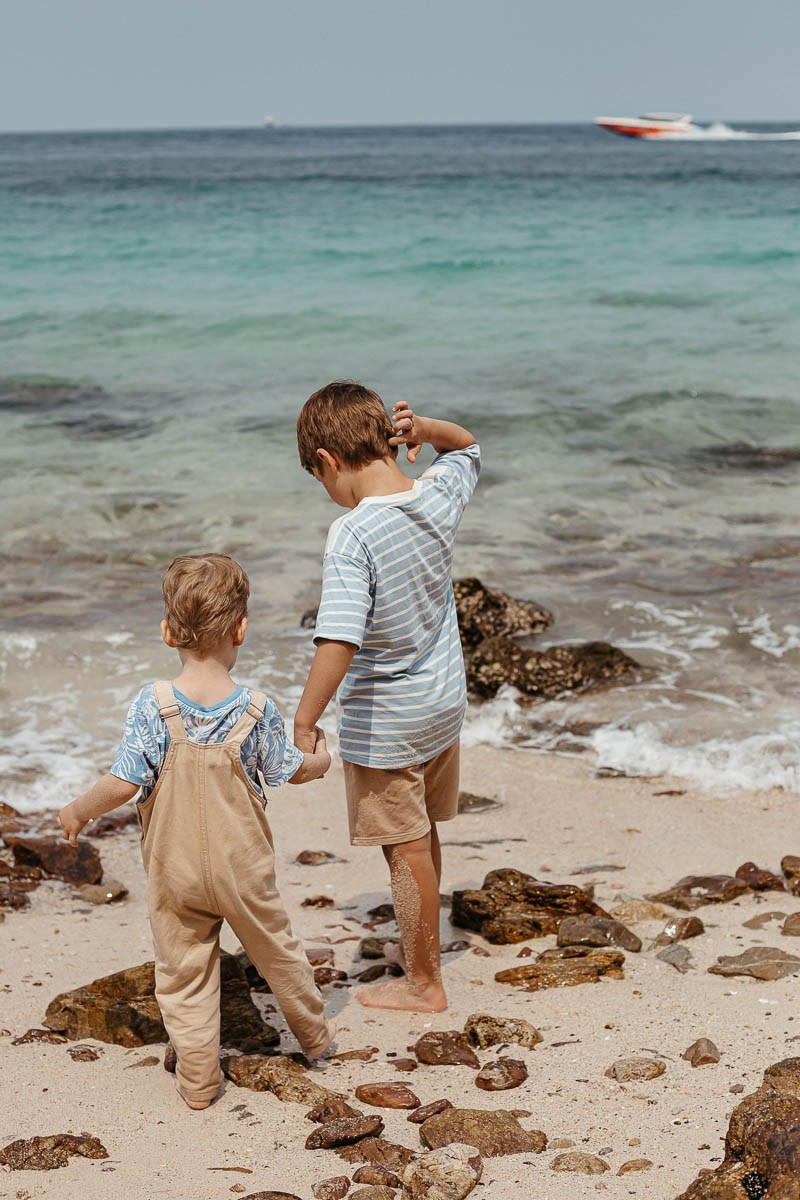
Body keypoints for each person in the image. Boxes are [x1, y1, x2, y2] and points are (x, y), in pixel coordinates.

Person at [59, 553, 335, 1110]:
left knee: (184, 974)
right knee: (278, 954)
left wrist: (77, 810)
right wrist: (323, 759)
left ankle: (200, 1082)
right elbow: (290, 771)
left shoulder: (152, 705)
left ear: (167, 632)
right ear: (241, 630)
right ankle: (317, 1039)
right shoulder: (257, 709)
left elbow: (122, 781)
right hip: (244, 869)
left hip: (174, 868)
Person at [294, 381, 480, 1013]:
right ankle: (422, 943)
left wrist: (304, 718)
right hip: (442, 707)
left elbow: (339, 639)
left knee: (403, 848)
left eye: (319, 478)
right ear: (387, 440)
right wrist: (427, 426)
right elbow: (470, 447)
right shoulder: (434, 497)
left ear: (326, 461)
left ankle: (425, 982)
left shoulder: (353, 534)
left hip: (389, 723)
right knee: (421, 834)